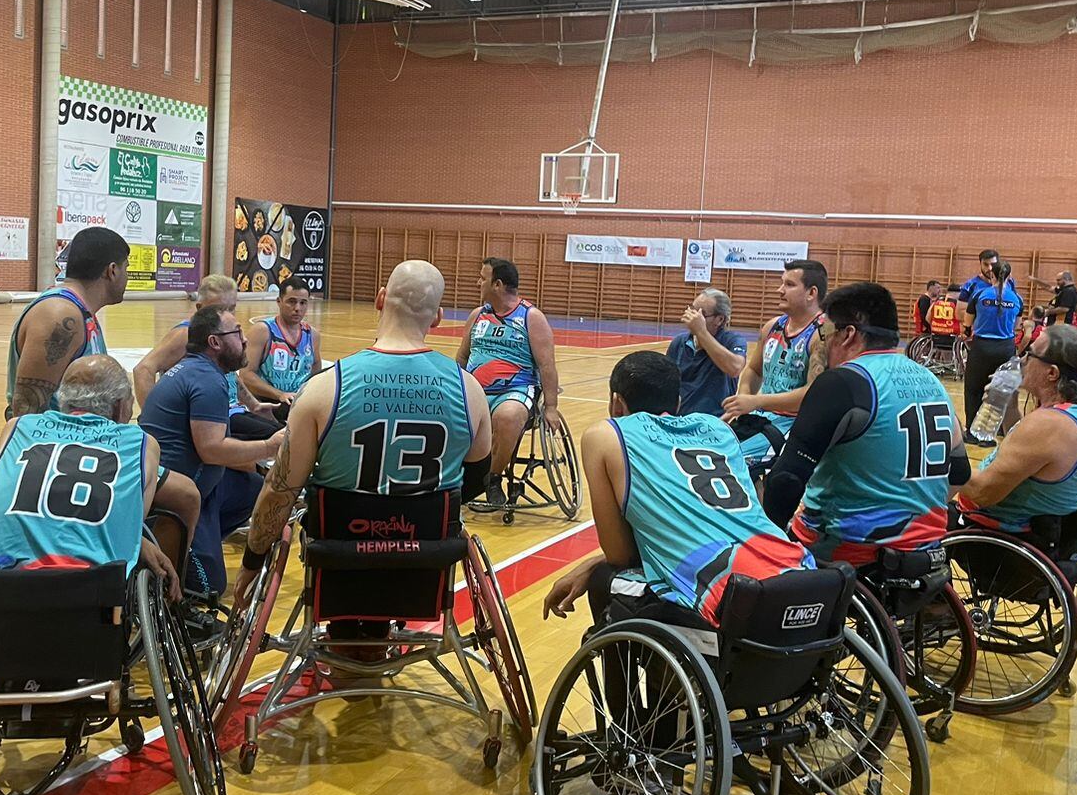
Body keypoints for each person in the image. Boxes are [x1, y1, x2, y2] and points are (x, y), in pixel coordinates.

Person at [233, 260, 492, 609]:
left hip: (338, 553)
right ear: (437, 317)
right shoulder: (470, 391)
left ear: (380, 299)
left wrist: (252, 560)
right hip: (427, 556)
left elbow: (279, 490)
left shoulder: (325, 388)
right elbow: (475, 481)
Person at [543, 351, 811, 630]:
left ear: (616, 404)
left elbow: (620, 557)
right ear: (678, 403)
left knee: (603, 579)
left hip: (734, 598)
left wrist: (590, 567)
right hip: (797, 574)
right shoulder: (717, 428)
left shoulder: (605, 434)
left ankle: (624, 674)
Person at [762, 282, 968, 567]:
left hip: (850, 549)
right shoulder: (931, 380)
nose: (822, 342)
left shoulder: (843, 382)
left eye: (825, 332)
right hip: (925, 549)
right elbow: (960, 472)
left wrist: (763, 538)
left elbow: (787, 480)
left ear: (847, 334)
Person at [0, 356, 197, 600]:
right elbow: (130, 518)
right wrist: (139, 543)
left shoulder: (17, 426)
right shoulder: (142, 443)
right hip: (86, 598)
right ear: (119, 406)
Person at [139, 304, 286, 596]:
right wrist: (270, 446)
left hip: (200, 486)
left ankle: (200, 540)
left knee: (254, 488)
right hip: (179, 498)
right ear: (215, 342)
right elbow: (212, 450)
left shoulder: (201, 370)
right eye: (237, 332)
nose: (244, 340)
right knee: (209, 589)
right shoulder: (206, 379)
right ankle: (177, 543)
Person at [955, 325, 1077, 539]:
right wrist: (1009, 408)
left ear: (1052, 373)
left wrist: (944, 454)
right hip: (1050, 529)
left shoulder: (1049, 425)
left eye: (1031, 353)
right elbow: (1033, 459)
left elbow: (983, 493)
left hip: (996, 534)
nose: (1022, 360)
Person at [456, 257, 562, 505]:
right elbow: (462, 356)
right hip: (475, 391)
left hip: (515, 389)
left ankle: (491, 479)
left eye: (483, 278)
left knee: (507, 417)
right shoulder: (477, 316)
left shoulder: (531, 317)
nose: (477, 282)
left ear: (498, 284)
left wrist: (551, 407)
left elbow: (547, 365)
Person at [133, 273, 281, 438]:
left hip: (231, 411)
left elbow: (230, 376)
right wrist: (155, 420)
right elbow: (143, 369)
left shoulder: (225, 331)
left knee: (284, 431)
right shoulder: (185, 334)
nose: (226, 314)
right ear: (199, 308)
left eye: (231, 308)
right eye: (218, 309)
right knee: (279, 438)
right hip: (209, 418)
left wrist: (254, 404)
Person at [6, 227, 129, 419]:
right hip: (55, 447)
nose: (127, 277)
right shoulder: (59, 314)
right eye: (126, 268)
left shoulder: (82, 312)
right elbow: (27, 409)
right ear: (112, 271)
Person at [723, 259, 829, 464]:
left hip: (796, 424)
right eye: (782, 283)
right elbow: (753, 370)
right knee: (708, 448)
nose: (780, 290)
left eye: (789, 285)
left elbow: (812, 394)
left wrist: (756, 401)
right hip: (762, 416)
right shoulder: (773, 326)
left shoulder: (824, 333)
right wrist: (743, 401)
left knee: (733, 461)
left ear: (811, 293)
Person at [962, 258, 1025, 446]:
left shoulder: (980, 295)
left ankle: (973, 433)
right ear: (1009, 276)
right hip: (1005, 348)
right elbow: (1017, 325)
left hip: (982, 348)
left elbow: (968, 323)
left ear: (992, 275)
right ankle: (990, 434)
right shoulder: (1016, 299)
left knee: (973, 389)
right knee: (999, 393)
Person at [241, 278, 323, 410]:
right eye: (292, 302)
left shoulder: (313, 335)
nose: (297, 308)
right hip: (267, 403)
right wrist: (280, 395)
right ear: (279, 301)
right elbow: (246, 375)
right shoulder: (262, 331)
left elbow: (316, 371)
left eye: (303, 303)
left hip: (297, 404)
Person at [667, 288, 748, 415]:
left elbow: (735, 368)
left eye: (702, 314)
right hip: (679, 419)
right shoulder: (679, 342)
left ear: (720, 320)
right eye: (693, 310)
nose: (694, 317)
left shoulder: (732, 341)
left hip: (712, 422)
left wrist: (701, 333)